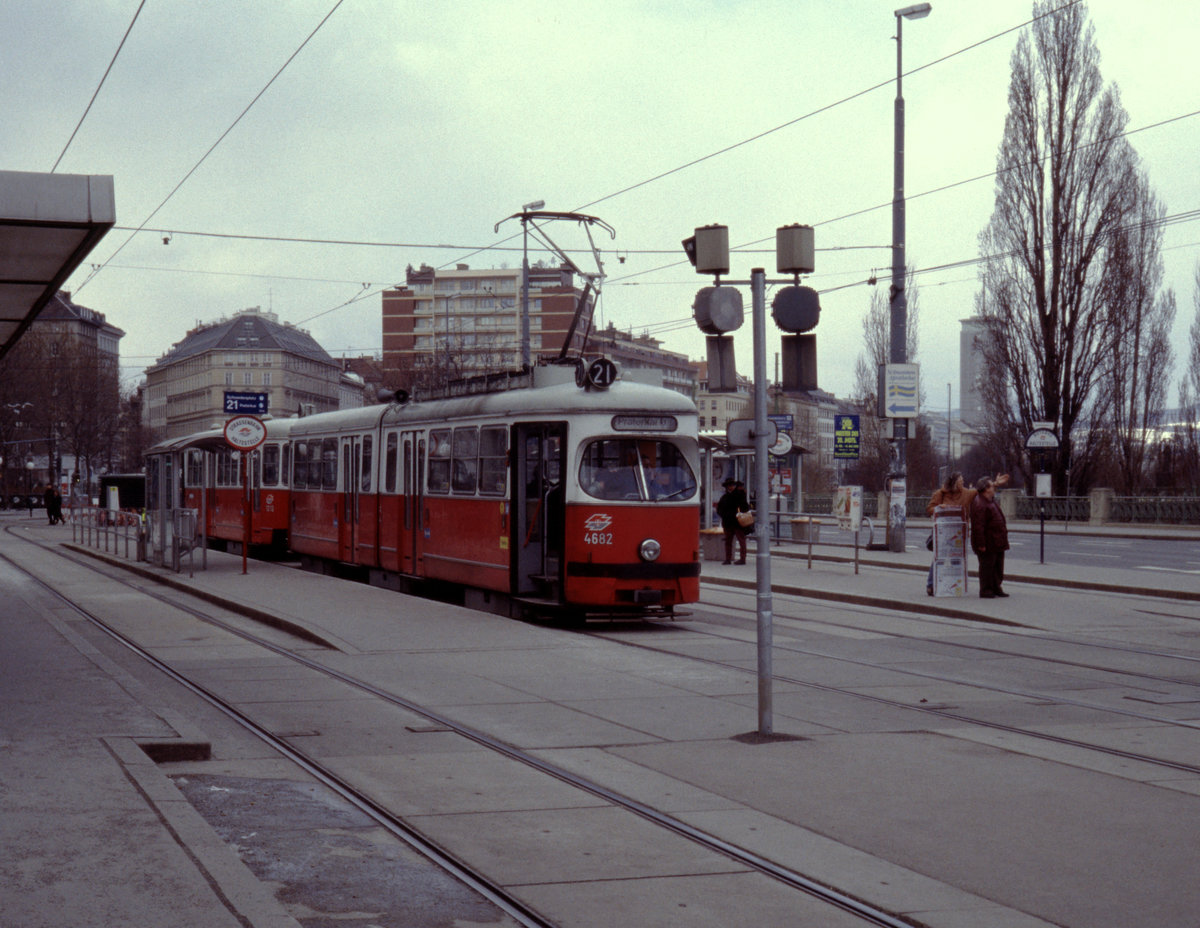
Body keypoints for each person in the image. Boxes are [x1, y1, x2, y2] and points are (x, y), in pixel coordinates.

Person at [924, 470, 1007, 595]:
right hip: (943, 531)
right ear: (954, 482)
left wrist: (995, 483)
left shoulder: (966, 493)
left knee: (956, 558)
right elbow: (929, 509)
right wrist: (938, 508)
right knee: (939, 557)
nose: (963, 482)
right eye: (961, 480)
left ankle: (953, 585)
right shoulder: (940, 494)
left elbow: (981, 489)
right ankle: (931, 584)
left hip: (958, 532)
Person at [970, 476, 1010, 599]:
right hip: (989, 541)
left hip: (996, 540)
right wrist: (981, 544)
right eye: (992, 486)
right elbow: (978, 526)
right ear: (986, 489)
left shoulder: (988, 499)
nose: (994, 488)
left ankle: (996, 587)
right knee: (987, 566)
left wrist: (996, 483)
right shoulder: (980, 503)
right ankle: (986, 590)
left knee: (997, 566)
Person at [715, 477, 750, 565]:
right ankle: (728, 559)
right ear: (726, 487)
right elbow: (719, 509)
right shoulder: (725, 497)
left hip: (737, 522)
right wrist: (723, 515)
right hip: (728, 522)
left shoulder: (739, 495)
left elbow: (745, 507)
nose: (730, 487)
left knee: (741, 540)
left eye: (732, 485)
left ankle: (742, 559)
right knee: (728, 541)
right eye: (729, 485)